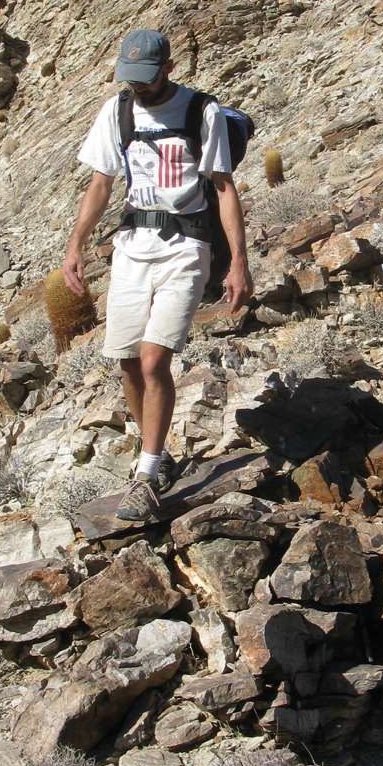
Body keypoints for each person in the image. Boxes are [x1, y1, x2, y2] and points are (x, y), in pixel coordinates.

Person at [62, 29, 254, 521]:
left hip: (186, 247)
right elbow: (101, 183)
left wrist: (239, 261)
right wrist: (75, 244)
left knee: (153, 361)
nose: (139, 87)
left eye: (146, 78)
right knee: (127, 361)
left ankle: (146, 475)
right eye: (131, 79)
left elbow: (224, 188)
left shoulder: (201, 112)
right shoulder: (118, 111)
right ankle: (159, 452)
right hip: (132, 246)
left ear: (169, 68)